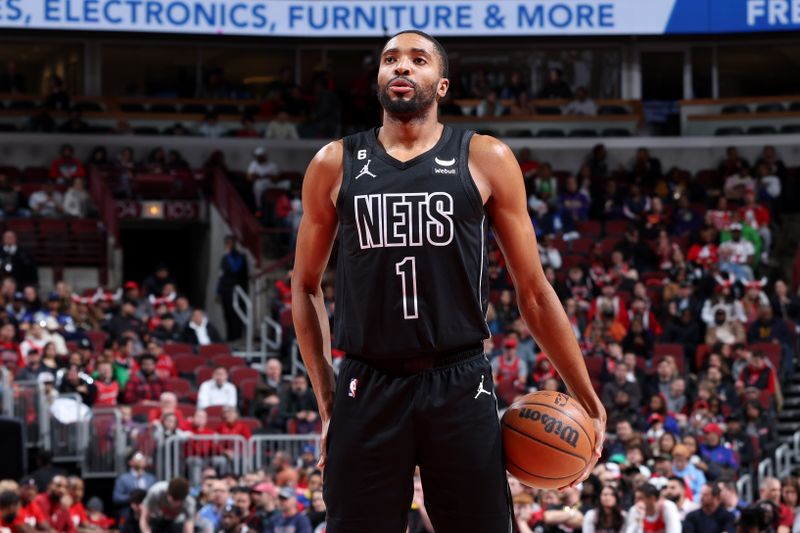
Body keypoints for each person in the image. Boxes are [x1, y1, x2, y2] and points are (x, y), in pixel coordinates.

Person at [291, 30, 605, 532]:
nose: (402, 67)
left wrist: (587, 398)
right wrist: (328, 404)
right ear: (378, 78)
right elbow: (304, 287)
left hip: (459, 381)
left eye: (418, 60)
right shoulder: (334, 162)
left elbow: (535, 290)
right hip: (366, 382)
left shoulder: (485, 157)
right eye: (390, 59)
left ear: (441, 85)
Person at [216, 236, 248, 342]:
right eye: (226, 243)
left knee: (236, 314)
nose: (227, 245)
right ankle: (230, 337)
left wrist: (229, 255)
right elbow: (221, 276)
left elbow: (236, 269)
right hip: (225, 290)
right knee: (227, 314)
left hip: (236, 290)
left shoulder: (239, 257)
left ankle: (237, 337)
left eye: (230, 243)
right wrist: (218, 291)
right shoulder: (224, 258)